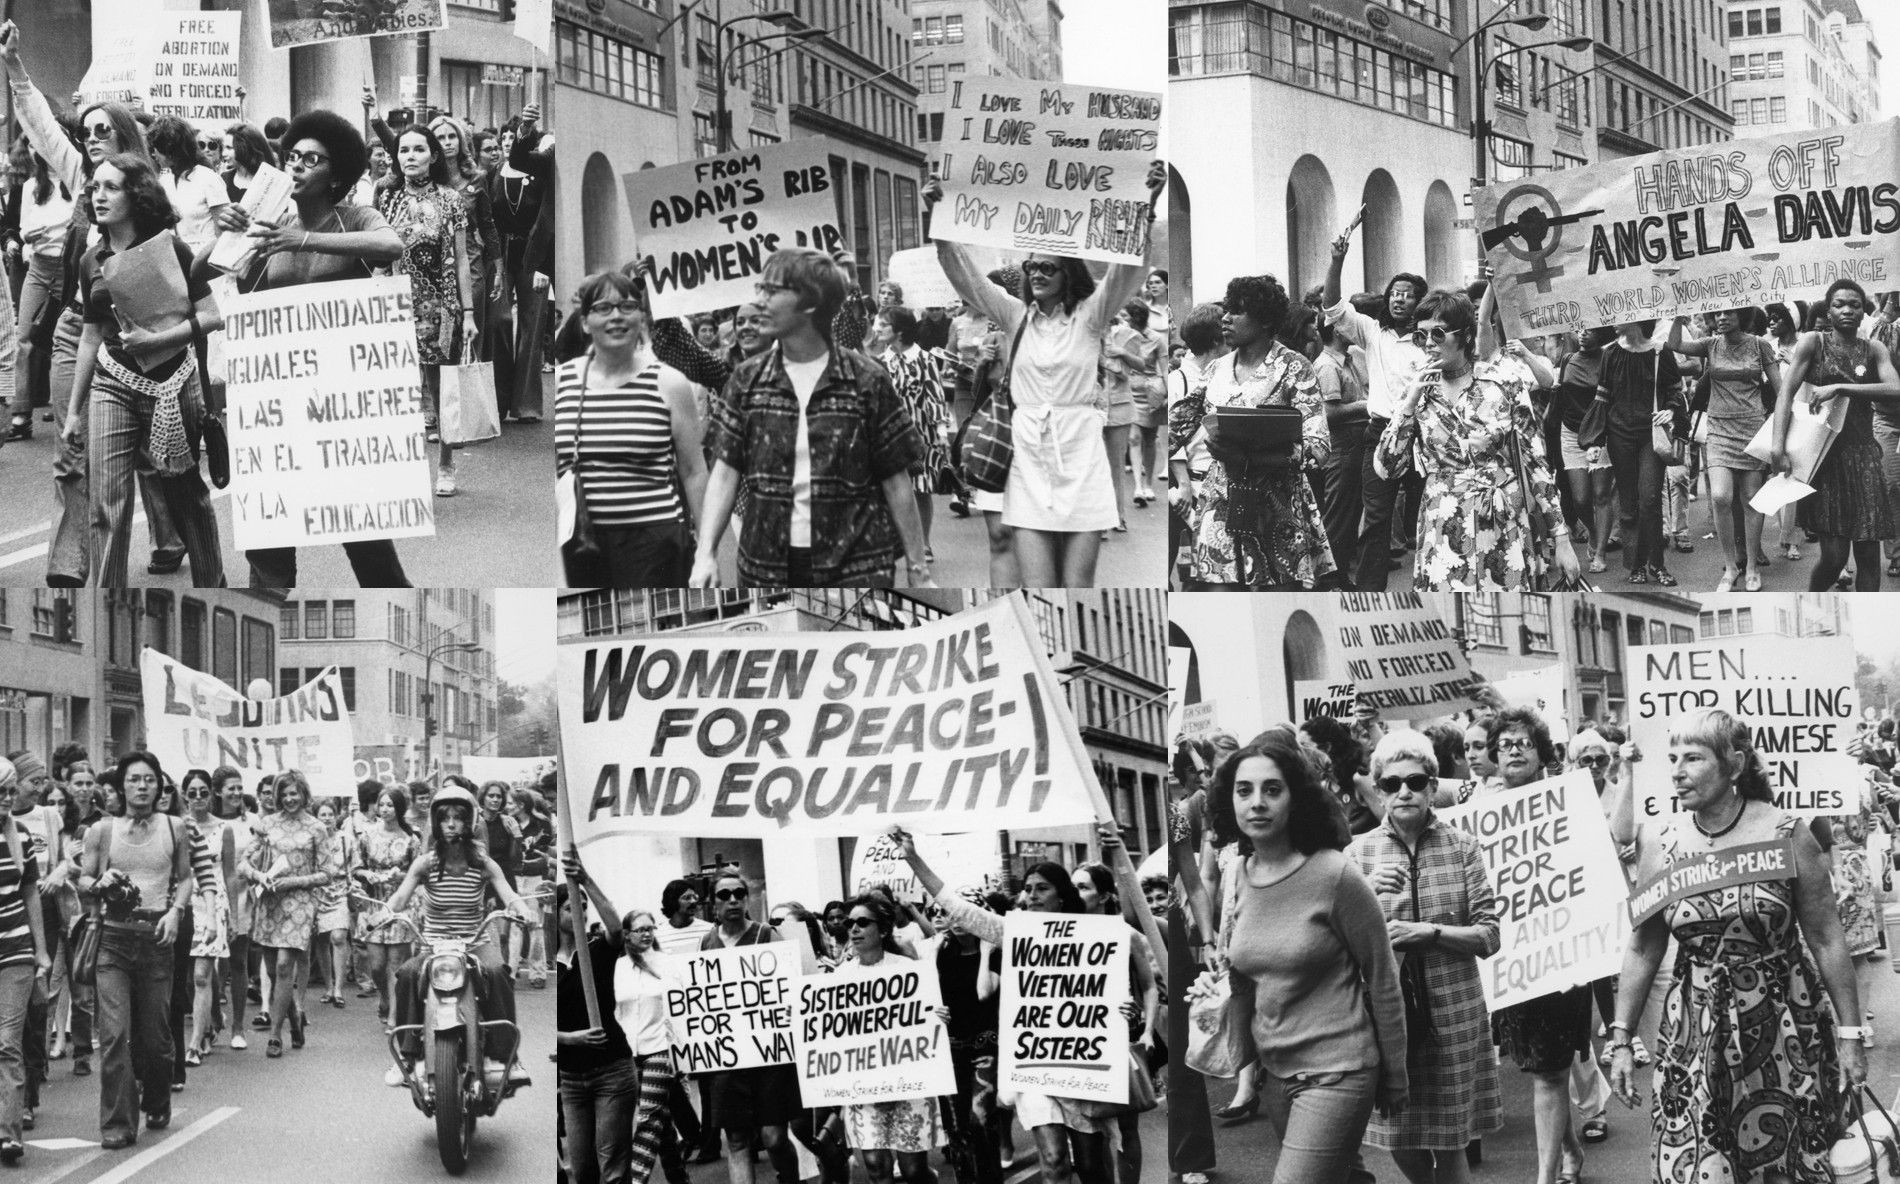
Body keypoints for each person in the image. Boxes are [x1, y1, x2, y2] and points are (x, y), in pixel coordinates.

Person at [1607, 709, 1862, 1184]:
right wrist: (1621, 1039)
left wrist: (1850, 1038)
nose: (1678, 771)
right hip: (1695, 1031)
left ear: (1735, 764)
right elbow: (1643, 948)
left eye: (1693, 758)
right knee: (1700, 1162)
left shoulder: (1787, 832)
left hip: (1786, 1021)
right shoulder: (1660, 843)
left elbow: (1827, 938)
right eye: (1672, 759)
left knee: (1785, 1163)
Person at [924, 161, 1166, 586]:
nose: (1036, 273)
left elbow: (1126, 272)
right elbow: (970, 281)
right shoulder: (1015, 316)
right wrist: (939, 223)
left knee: (1076, 588)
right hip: (1028, 456)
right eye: (1031, 267)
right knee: (1039, 587)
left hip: (1080, 452)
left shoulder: (1092, 316)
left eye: (1047, 267)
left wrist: (1147, 205)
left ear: (1066, 274)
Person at [215, 108, 411, 587]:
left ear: (336, 174)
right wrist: (227, 231)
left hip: (342, 415)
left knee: (371, 554)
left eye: (313, 159)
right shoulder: (266, 221)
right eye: (294, 156)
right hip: (280, 415)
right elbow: (200, 275)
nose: (298, 165)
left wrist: (301, 240)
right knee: (268, 560)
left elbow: (391, 246)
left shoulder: (353, 217)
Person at [895, 838, 1148, 1184]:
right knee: (1055, 1160)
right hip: (1035, 1066)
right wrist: (914, 859)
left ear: (1062, 896)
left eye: (1042, 888)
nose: (1031, 896)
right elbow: (957, 906)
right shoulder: (1012, 933)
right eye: (1027, 889)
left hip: (1083, 1067)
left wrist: (1126, 1015)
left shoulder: (1098, 937)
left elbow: (1118, 998)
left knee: (1091, 1167)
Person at [689, 247, 932, 589]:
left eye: (772, 291)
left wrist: (918, 569)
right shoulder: (746, 380)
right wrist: (706, 553)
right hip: (765, 567)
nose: (760, 301)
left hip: (856, 565)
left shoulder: (867, 379)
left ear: (811, 302)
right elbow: (726, 472)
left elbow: (896, 478)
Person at [1343, 731, 1500, 1184]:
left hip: (1453, 1012)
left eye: (1415, 781)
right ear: (1379, 790)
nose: (1404, 792)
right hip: (1390, 1018)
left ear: (1433, 786)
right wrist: (1367, 894)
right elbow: (1339, 944)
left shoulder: (1462, 846)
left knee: (1451, 1144)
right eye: (1391, 784)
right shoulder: (1358, 854)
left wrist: (1430, 932)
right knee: (1399, 1140)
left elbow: (1489, 936)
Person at [67, 151, 226, 587]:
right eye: (94, 187)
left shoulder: (171, 247)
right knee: (106, 506)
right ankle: (104, 599)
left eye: (111, 187)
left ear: (136, 195)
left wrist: (157, 341)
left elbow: (211, 316)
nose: (98, 196)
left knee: (188, 500)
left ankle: (214, 588)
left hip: (174, 387)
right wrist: (74, 412)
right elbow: (90, 336)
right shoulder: (90, 260)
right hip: (112, 383)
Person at [1375, 288, 1579, 590]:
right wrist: (1408, 405)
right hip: (1443, 521)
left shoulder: (1504, 384)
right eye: (1421, 336)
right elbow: (1386, 469)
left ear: (1466, 336)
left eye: (1438, 334)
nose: (1428, 344)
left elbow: (1535, 464)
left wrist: (1560, 538)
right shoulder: (1417, 393)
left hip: (1501, 519)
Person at [1476, 710, 1595, 1184]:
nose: (1514, 750)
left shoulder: (1570, 798)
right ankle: (1570, 1148)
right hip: (1516, 959)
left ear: (1541, 750)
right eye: (1504, 744)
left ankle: (1545, 1176)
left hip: (1566, 956)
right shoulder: (1479, 810)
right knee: (1540, 1068)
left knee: (1550, 1070)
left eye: (1524, 742)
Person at [1178, 274, 1333, 589]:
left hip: (1278, 505)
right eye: (1227, 308)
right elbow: (1180, 423)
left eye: (1237, 310)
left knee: (1274, 601)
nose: (1226, 317)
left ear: (1264, 321)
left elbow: (1319, 446)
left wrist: (1251, 455)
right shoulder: (1217, 369)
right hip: (1222, 501)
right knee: (1220, 595)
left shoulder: (1295, 367)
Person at [555, 272, 708, 587]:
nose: (616, 316)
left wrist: (707, 550)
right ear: (584, 321)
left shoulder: (669, 383)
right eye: (603, 308)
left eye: (626, 307)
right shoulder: (564, 381)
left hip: (654, 542)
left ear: (641, 318)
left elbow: (693, 471)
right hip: (581, 539)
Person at [75, 751, 192, 1149]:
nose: (141, 786)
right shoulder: (102, 832)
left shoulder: (175, 827)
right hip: (113, 941)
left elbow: (186, 878)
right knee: (114, 1035)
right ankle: (118, 1124)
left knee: (156, 1039)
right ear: (120, 786)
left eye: (149, 779)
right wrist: (98, 880)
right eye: (133, 780)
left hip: (156, 939)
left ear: (159, 786)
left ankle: (157, 1099)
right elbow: (83, 882)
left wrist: (176, 912)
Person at [381, 785, 536, 1085]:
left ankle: (507, 1057)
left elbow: (509, 894)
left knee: (498, 972)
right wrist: (383, 913)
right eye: (444, 818)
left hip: (474, 942)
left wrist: (522, 910)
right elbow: (399, 898)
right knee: (407, 975)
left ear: (470, 822)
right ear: (436, 823)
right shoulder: (426, 862)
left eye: (458, 818)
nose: (451, 823)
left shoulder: (482, 862)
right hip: (433, 946)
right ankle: (407, 1055)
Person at [1772, 279, 1900, 590]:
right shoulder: (1813, 342)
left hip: (1864, 456)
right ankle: (1812, 599)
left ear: (1863, 311)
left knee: (1869, 555)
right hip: (1823, 458)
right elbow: (1785, 393)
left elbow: (1895, 388)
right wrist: (1777, 446)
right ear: (1828, 310)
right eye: (1839, 304)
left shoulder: (1874, 348)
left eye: (1855, 305)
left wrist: (1841, 387)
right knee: (1834, 557)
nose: (1847, 310)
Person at [378, 124, 476, 496]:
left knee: (442, 389)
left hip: (442, 307)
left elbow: (463, 259)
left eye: (419, 150)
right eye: (404, 150)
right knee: (398, 391)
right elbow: (377, 251)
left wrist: (468, 313)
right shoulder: (386, 198)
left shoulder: (451, 199)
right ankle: (401, 470)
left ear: (434, 156)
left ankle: (447, 465)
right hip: (397, 302)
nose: (411, 157)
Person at [823, 894, 944, 1184]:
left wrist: (938, 1016)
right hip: (864, 1084)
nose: (853, 929)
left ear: (884, 929)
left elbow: (927, 1018)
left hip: (907, 1082)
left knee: (913, 1170)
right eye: (850, 923)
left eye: (862, 922)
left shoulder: (907, 969)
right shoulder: (839, 977)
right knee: (876, 1166)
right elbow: (829, 1030)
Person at [698, 870, 804, 1184]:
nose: (732, 899)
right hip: (728, 1059)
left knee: (774, 1138)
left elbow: (792, 987)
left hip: (769, 1057)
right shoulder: (707, 942)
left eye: (738, 893)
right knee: (737, 1140)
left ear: (747, 898)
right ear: (713, 903)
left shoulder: (767, 934)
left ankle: (790, 1177)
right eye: (724, 894)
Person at [1666, 311, 1780, 590]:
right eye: (1717, 313)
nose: (1722, 317)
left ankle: (1751, 565)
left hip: (1752, 429)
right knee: (1719, 497)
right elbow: (1675, 345)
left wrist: (1779, 430)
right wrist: (1677, 319)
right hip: (1718, 429)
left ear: (1743, 315)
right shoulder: (1710, 344)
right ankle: (1730, 566)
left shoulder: (1759, 345)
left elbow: (1781, 389)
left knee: (1751, 498)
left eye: (1729, 312)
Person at [234, 769, 337, 1059]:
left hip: (301, 902)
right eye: (284, 794)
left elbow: (328, 873)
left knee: (282, 967)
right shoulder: (266, 824)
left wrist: (294, 882)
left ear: (304, 794)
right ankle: (294, 1018)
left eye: (295, 793)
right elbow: (243, 864)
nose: (290, 799)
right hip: (269, 901)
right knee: (270, 968)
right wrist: (258, 875)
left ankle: (276, 1034)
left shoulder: (317, 828)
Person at [1596, 319, 1687, 586]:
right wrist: (1595, 441)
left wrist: (1670, 409)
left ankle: (1657, 564)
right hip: (1619, 435)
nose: (1612, 321)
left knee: (1649, 499)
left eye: (1619, 316)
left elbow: (1675, 390)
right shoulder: (1610, 352)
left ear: (1636, 318)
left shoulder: (1660, 351)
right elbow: (1602, 397)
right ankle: (1635, 565)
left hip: (1651, 434)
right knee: (1628, 503)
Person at [868, 306, 952, 561]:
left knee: (921, 489)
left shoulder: (924, 358)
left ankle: (924, 543)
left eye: (884, 324)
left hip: (919, 432)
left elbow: (934, 394)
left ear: (901, 330)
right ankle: (895, 541)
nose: (877, 328)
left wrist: (941, 431)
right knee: (888, 489)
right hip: (887, 434)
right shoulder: (879, 361)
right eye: (877, 324)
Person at [0, 759, 48, 1167]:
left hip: (15, 953)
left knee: (6, 1042)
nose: (4, 800)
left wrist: (42, 951)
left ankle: (9, 1134)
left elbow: (31, 893)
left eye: (8, 792)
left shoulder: (23, 837)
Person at [176, 769, 232, 1067]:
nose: (198, 797)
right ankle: (210, 1018)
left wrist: (233, 916)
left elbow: (230, 874)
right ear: (184, 795)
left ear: (212, 794)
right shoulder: (175, 826)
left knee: (201, 975)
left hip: (213, 905)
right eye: (192, 792)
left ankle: (195, 1043)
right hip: (184, 904)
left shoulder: (224, 828)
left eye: (203, 792)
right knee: (188, 978)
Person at [351, 784, 417, 1037]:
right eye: (382, 804)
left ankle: (394, 1016)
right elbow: (356, 868)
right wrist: (368, 874)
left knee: (396, 964)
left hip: (400, 906)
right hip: (374, 904)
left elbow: (417, 873)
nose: (385, 809)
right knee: (377, 965)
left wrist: (399, 876)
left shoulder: (411, 839)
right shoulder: (367, 835)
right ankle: (385, 997)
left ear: (399, 808)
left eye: (391, 805)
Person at [311, 799, 354, 1007]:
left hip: (340, 891)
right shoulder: (313, 839)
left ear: (336, 815)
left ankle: (338, 988)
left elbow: (355, 865)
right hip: (318, 891)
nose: (327, 818)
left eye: (330, 814)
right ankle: (328, 986)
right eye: (322, 814)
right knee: (322, 940)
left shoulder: (346, 839)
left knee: (339, 937)